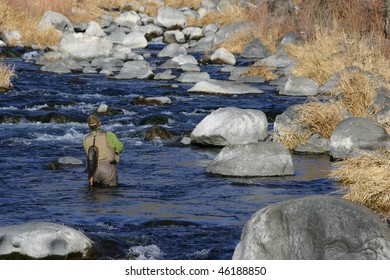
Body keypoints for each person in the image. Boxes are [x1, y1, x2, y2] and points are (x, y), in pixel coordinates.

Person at [83, 114, 124, 187]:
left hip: (93, 172)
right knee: (110, 193)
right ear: (99, 124)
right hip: (108, 170)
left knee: (96, 195)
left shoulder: (85, 139)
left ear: (89, 126)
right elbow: (119, 148)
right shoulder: (109, 135)